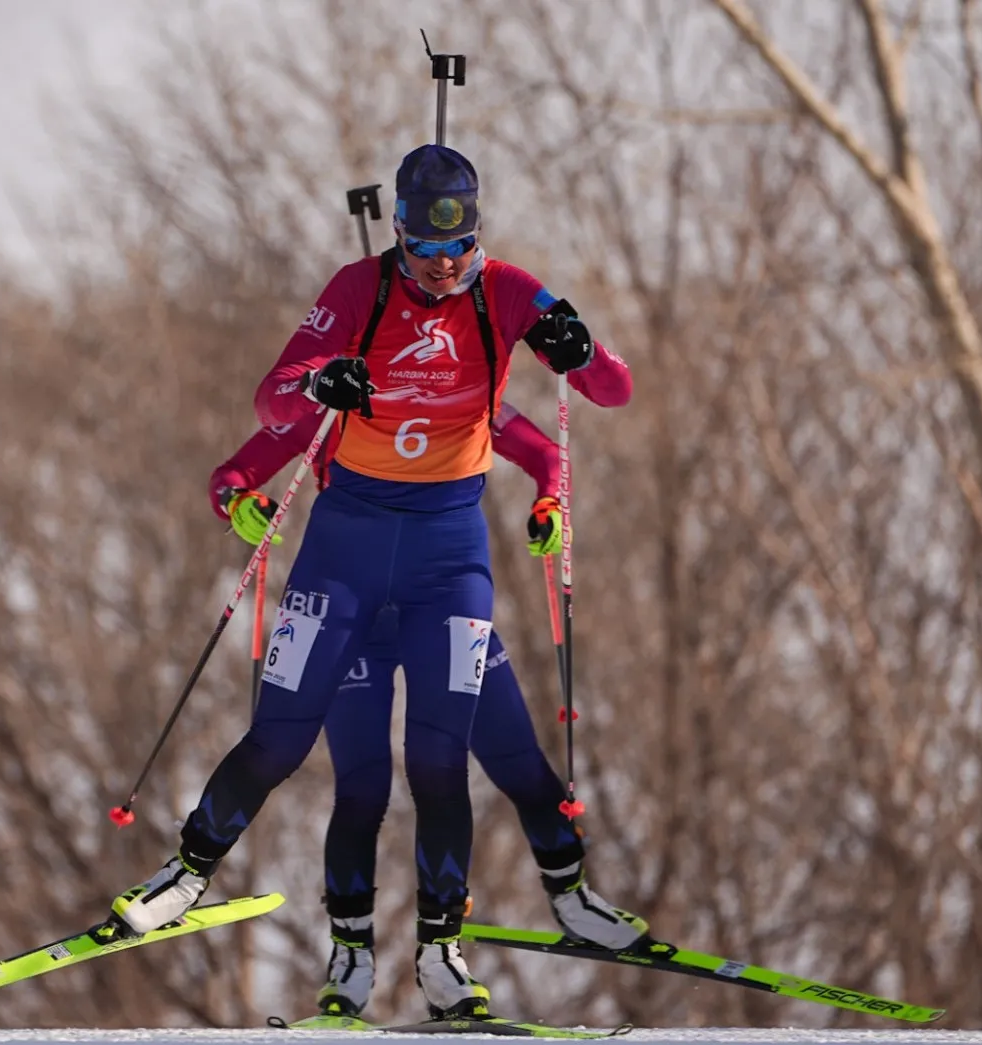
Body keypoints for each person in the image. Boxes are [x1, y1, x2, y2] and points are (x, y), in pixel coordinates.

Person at [109, 143, 631, 1020]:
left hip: (449, 555)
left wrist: (580, 343)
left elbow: (608, 389)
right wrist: (320, 381)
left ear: (477, 236)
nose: (443, 269)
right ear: (398, 234)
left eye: (459, 249)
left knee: (438, 760)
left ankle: (441, 955)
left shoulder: (505, 290)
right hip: (345, 547)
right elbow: (272, 402)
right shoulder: (360, 289)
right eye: (426, 253)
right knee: (278, 738)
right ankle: (184, 875)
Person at [209, 403, 645, 1019]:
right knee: (362, 789)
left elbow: (549, 455)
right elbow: (234, 473)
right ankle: (350, 958)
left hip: (442, 611)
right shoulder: (341, 401)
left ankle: (567, 901)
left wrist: (549, 501)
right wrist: (238, 503)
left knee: (514, 761)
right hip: (354, 624)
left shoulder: (464, 394)